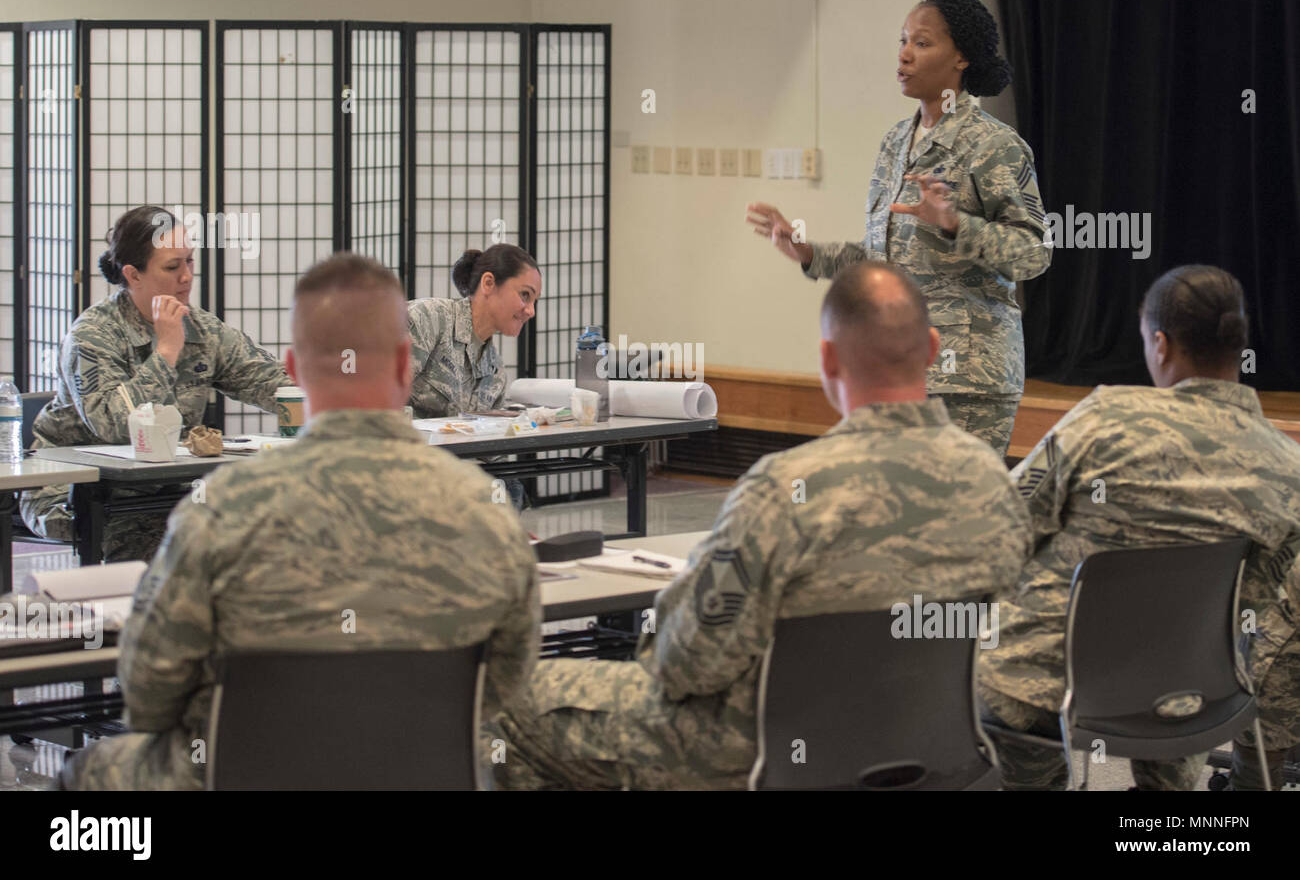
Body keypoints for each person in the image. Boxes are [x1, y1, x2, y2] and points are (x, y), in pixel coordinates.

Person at [487, 262, 1031, 790]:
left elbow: (684, 666)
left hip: (756, 750)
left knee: (513, 699)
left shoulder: (786, 489)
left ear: (827, 359)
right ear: (934, 350)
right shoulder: (993, 482)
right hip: (931, 746)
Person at [60, 254, 540, 790]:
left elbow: (148, 694)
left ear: (292, 370)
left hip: (242, 773)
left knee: (87, 774)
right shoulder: (487, 513)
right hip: (421, 771)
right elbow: (506, 689)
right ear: (406, 366)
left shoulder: (221, 511)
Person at [979, 265, 1300, 791]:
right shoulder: (1289, 468)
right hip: (1189, 692)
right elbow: (1257, 597)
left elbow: (1005, 525)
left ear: (1160, 343)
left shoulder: (1104, 418)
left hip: (1047, 684)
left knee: (998, 696)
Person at [747, 0, 1050, 456]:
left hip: (969, 377)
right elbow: (883, 258)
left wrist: (955, 224)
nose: (904, 54)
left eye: (922, 43)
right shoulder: (895, 142)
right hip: (894, 366)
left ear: (962, 58)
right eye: (903, 41)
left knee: (953, 519)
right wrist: (808, 252)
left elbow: (1033, 253)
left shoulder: (995, 146)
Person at [21, 206, 290, 561]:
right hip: (77, 489)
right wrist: (165, 352)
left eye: (190, 262)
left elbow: (269, 380)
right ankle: (138, 616)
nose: (187, 277)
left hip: (165, 484)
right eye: (172, 266)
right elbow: (115, 425)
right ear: (133, 275)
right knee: (165, 540)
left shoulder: (203, 329)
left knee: (269, 527)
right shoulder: (92, 335)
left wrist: (321, 399)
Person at [407, 244, 541, 418]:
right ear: (488, 283)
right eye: (525, 295)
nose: (531, 311)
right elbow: (374, 400)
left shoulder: (495, 373)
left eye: (534, 301)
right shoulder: (426, 320)